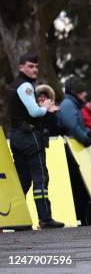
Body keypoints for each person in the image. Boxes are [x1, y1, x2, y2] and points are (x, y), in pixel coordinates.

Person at [6, 53, 64, 228]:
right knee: (41, 178)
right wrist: (45, 108)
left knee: (23, 180)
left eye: (36, 67)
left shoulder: (13, 85)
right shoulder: (25, 86)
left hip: (16, 135)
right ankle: (45, 218)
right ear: (21, 67)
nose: (34, 70)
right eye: (30, 66)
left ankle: (17, 219)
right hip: (30, 137)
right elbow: (34, 112)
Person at [59, 76, 91, 147]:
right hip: (71, 148)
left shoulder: (75, 104)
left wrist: (89, 133)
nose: (85, 94)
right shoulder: (68, 104)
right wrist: (86, 140)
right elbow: (73, 127)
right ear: (75, 92)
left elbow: (80, 125)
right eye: (82, 91)